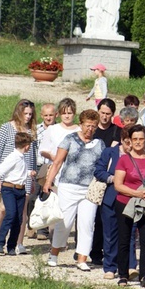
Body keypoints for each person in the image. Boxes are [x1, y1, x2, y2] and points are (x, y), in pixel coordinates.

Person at [42, 110, 105, 271]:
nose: (90, 129)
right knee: (65, 221)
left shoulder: (99, 143)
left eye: (93, 126)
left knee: (87, 223)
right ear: (81, 124)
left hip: (89, 189)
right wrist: (48, 181)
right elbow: (57, 162)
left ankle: (82, 257)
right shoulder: (70, 139)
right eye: (87, 125)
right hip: (68, 186)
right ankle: (54, 254)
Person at [0, 99, 37, 255]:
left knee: (22, 211)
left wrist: (32, 177)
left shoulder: (31, 130)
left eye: (31, 114)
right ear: (19, 112)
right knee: (4, 207)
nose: (28, 117)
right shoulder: (6, 128)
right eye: (25, 114)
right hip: (7, 176)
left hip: (25, 176)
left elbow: (32, 155)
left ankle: (18, 241)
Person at [113, 125, 145, 287]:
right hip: (125, 203)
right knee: (124, 239)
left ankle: (144, 274)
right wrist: (138, 193)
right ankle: (123, 274)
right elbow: (118, 184)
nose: (138, 142)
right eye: (135, 139)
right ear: (129, 140)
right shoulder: (124, 159)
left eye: (141, 139)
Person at [0, 132, 34, 255]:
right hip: (9, 189)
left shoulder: (21, 158)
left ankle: (12, 246)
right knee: (11, 214)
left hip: (20, 189)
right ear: (26, 146)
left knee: (18, 219)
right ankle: (0, 243)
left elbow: (18, 172)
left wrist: (28, 174)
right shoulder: (13, 157)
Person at [94, 127, 133, 279]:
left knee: (129, 234)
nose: (131, 146)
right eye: (128, 142)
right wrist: (112, 178)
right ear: (122, 140)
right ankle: (110, 267)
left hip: (130, 198)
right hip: (111, 197)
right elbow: (98, 170)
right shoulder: (109, 152)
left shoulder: (137, 155)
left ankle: (130, 266)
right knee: (110, 234)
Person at [34, 102, 56, 240]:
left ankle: (44, 229)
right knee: (33, 197)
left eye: (51, 115)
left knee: (48, 197)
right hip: (39, 165)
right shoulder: (36, 130)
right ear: (42, 115)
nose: (48, 118)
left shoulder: (59, 129)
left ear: (56, 115)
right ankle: (33, 224)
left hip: (54, 166)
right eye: (46, 115)